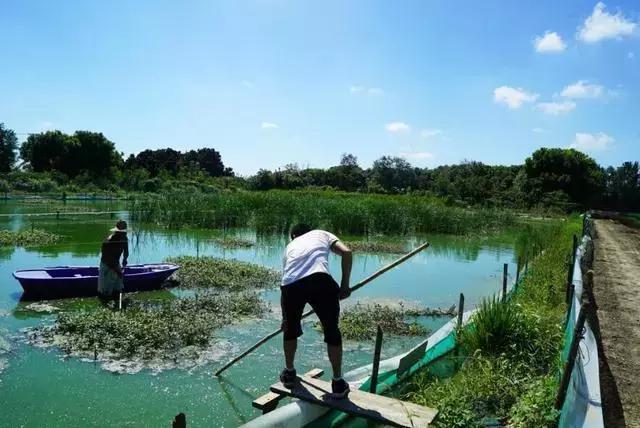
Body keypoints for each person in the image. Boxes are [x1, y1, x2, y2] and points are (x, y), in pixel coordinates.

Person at [279, 223, 353, 398]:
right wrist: (344, 286)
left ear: (294, 236)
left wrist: (285, 319)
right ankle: (337, 383)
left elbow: (286, 280)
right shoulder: (322, 233)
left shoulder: (289, 247)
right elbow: (347, 252)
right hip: (320, 280)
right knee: (332, 332)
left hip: (291, 286)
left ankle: (289, 373)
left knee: (290, 331)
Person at [98, 219, 129, 306]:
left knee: (118, 288)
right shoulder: (110, 241)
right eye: (122, 232)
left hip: (115, 264)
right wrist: (118, 271)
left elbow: (126, 252)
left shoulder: (124, 239)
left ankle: (118, 304)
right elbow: (108, 258)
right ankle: (105, 305)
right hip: (107, 265)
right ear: (117, 232)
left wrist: (124, 260)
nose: (124, 233)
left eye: (124, 231)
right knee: (106, 291)